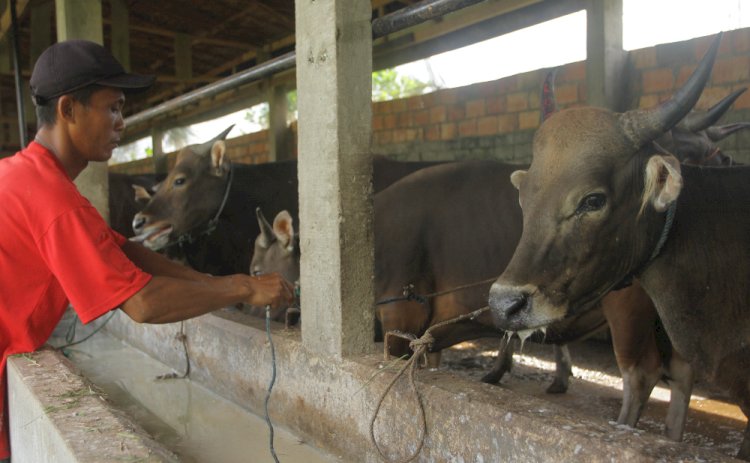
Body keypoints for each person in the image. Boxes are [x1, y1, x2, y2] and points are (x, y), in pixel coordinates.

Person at [0, 40, 295, 462]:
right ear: (68, 110)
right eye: (113, 107)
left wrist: (209, 282)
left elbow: (126, 253)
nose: (121, 122)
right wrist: (243, 288)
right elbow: (140, 302)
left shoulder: (24, 175)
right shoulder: (53, 200)